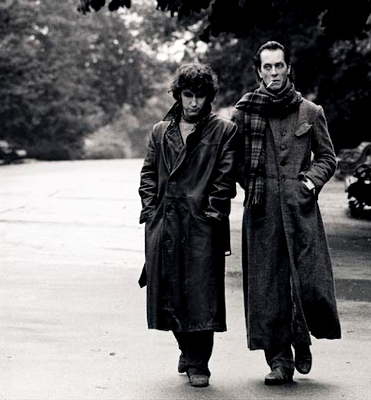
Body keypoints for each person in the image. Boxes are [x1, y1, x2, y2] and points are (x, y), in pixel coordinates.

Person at [231, 40, 341, 385]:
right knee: (268, 286)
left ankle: (301, 339)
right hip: (261, 212)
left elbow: (328, 158)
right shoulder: (244, 113)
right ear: (258, 72)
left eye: (279, 66)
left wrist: (308, 183)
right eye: (268, 67)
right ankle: (279, 360)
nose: (274, 73)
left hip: (300, 210)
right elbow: (234, 160)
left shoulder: (310, 111)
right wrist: (253, 184)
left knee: (307, 280)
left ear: (288, 68)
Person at [137, 63, 238, 388]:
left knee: (201, 296)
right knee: (167, 293)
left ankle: (199, 363)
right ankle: (186, 348)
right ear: (178, 95)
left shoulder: (223, 131)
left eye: (200, 96)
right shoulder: (160, 131)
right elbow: (148, 174)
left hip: (201, 225)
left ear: (210, 97)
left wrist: (211, 216)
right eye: (188, 95)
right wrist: (151, 211)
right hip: (165, 223)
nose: (194, 103)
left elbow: (224, 181)